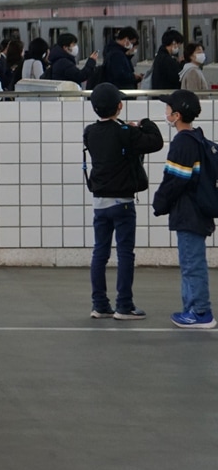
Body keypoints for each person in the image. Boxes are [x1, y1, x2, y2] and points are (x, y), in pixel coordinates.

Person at [83, 83, 164, 320]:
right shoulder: (125, 132)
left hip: (100, 203)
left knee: (100, 253)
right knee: (125, 253)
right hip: (123, 204)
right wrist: (143, 123)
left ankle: (99, 305)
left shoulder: (90, 132)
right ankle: (124, 306)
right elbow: (155, 141)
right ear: (119, 106)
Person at [152, 89, 217, 328]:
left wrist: (159, 203)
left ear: (176, 115)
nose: (166, 111)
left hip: (189, 212)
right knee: (190, 262)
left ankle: (201, 312)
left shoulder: (183, 142)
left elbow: (175, 179)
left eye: (168, 108)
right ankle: (191, 308)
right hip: (198, 211)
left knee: (192, 263)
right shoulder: (197, 138)